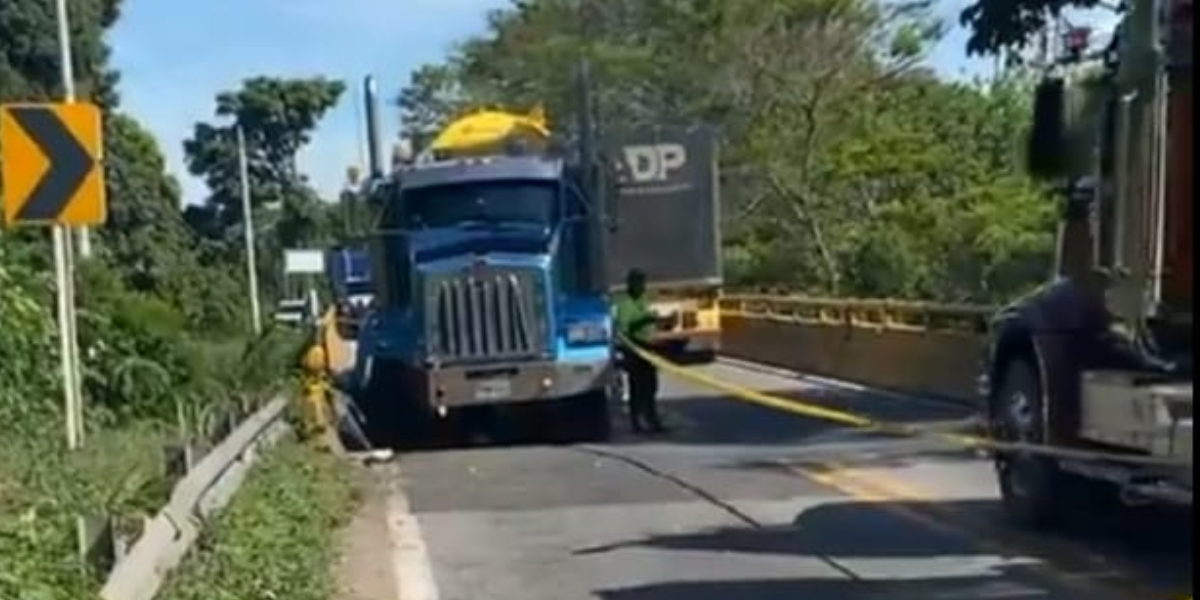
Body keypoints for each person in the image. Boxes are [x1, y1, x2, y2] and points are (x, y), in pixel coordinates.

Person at [614, 269, 671, 434]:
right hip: (634, 350)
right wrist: (645, 319)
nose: (641, 286)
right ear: (631, 284)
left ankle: (652, 420)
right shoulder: (625, 304)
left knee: (651, 387)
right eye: (638, 283)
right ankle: (637, 422)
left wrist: (662, 322)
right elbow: (624, 328)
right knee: (637, 388)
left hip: (649, 348)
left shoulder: (643, 300)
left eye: (642, 283)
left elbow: (649, 322)